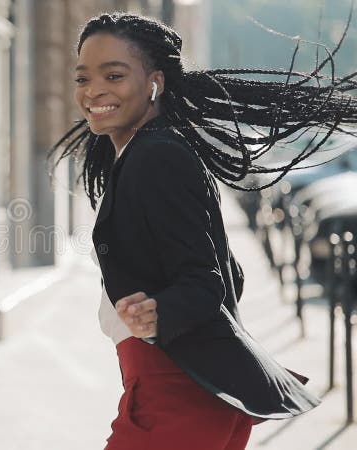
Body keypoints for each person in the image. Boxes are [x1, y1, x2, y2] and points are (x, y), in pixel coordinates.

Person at [48, 10, 357, 450]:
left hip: (173, 397)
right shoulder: (149, 151)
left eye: (113, 75)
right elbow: (229, 273)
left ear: (155, 82)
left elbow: (205, 283)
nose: (94, 90)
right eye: (83, 78)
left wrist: (160, 310)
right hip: (183, 391)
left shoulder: (156, 156)